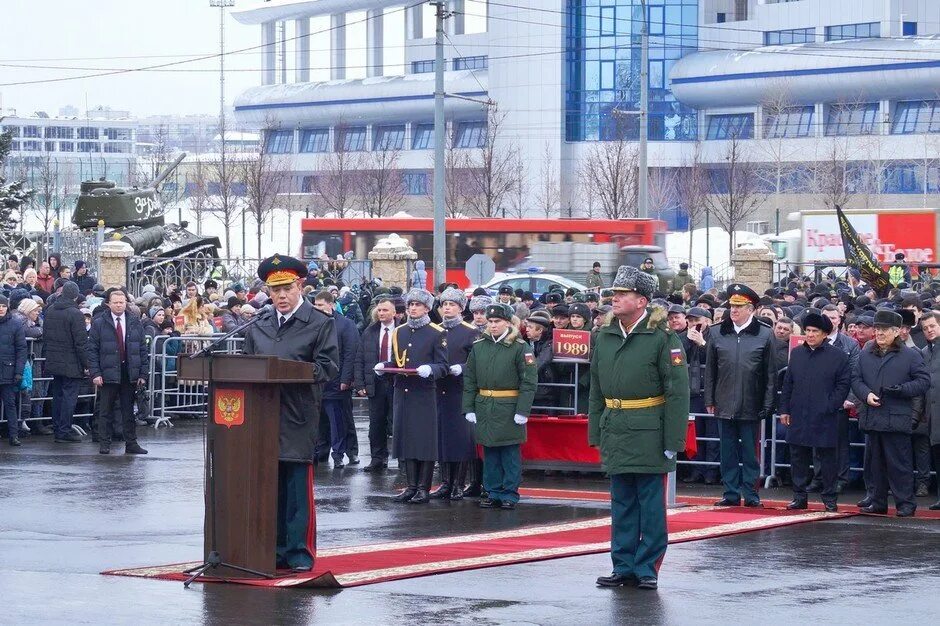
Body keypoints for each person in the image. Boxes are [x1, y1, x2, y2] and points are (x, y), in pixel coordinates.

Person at [590, 266, 689, 591]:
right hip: (616, 427)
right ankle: (623, 566)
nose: (615, 299)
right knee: (621, 504)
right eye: (614, 294)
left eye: (622, 294)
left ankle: (647, 567)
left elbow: (677, 391)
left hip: (649, 429)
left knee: (650, 506)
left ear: (642, 300)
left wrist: (673, 438)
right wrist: (595, 432)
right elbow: (595, 389)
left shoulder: (662, 336)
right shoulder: (604, 334)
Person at [242, 254, 339, 571]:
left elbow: (328, 367)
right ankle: (272, 548)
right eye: (274, 290)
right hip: (261, 418)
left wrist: (288, 372)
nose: (281, 296)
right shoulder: (259, 324)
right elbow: (246, 365)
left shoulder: (320, 324)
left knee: (295, 489)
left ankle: (298, 551)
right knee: (267, 487)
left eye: (286, 288)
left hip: (297, 416)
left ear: (301, 286)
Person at [704, 283, 776, 508]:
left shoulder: (765, 334)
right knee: (727, 451)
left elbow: (770, 374)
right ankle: (731, 493)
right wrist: (709, 399)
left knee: (749, 452)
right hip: (723, 402)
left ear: (751, 309)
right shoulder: (717, 332)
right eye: (731, 306)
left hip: (751, 403)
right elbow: (710, 371)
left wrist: (767, 403)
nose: (733, 310)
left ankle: (751, 495)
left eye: (739, 306)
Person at [852, 310, 929, 517]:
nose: (879, 333)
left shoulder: (911, 355)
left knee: (899, 464)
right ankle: (878, 501)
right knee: (874, 464)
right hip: (872, 416)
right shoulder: (866, 353)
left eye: (884, 329)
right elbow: (856, 379)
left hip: (896, 418)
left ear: (896, 331)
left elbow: (923, 382)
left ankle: (905, 503)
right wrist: (866, 394)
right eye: (877, 329)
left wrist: (902, 390)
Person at [375, 288, 448, 504]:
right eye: (410, 305)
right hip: (403, 392)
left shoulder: (437, 332)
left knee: (423, 442)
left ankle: (423, 488)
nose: (413, 308)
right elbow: (397, 362)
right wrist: (384, 367)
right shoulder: (400, 331)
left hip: (424, 393)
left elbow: (443, 365)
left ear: (427, 308)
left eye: (418, 305)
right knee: (405, 440)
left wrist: (431, 370)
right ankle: (411, 486)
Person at [463, 303, 537, 510]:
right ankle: (493, 491)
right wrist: (469, 407)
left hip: (509, 405)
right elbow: (470, 380)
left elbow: (529, 382)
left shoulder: (520, 347)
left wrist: (523, 411)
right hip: (485, 404)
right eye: (491, 322)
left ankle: (510, 493)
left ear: (507, 322)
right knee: (490, 452)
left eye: (498, 322)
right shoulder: (479, 347)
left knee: (509, 453)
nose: (493, 325)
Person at [779, 313, 851, 512]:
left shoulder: (837, 356)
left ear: (825, 334)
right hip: (799, 412)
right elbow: (788, 383)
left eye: (815, 332)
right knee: (798, 456)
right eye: (808, 331)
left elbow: (843, 384)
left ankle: (829, 497)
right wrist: (784, 409)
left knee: (827, 458)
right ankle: (799, 496)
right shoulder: (798, 354)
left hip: (825, 415)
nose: (810, 335)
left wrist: (831, 405)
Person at [431, 287, 481, 499]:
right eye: (444, 305)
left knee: (460, 438)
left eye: (452, 304)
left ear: (461, 308)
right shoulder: (435, 330)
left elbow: (478, 362)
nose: (447, 308)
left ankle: (459, 483)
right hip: (438, 388)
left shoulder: (471, 332)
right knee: (441, 437)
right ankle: (445, 482)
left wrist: (463, 367)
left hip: (460, 390)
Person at [87, 288, 149, 455]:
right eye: (116, 302)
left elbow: (142, 349)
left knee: (128, 410)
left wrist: (143, 373)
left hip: (129, 372)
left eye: (122, 302)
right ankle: (104, 443)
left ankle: (131, 443)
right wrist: (96, 373)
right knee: (105, 410)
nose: (119, 305)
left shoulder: (135, 321)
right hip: (107, 372)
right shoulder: (99, 322)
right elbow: (92, 350)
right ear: (109, 304)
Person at [313, 290, 359, 468]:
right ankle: (321, 452)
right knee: (320, 422)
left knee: (340, 421)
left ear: (331, 305)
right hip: (319, 382)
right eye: (315, 305)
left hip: (337, 382)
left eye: (321, 305)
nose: (317, 308)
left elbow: (350, 353)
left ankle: (344, 453)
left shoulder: (345, 325)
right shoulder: (313, 324)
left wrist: (346, 379)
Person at [354, 297, 398, 472]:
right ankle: (377, 458)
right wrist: (360, 383)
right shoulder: (370, 331)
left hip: (396, 381)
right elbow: (360, 358)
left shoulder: (402, 331)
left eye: (385, 310)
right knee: (376, 423)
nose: (381, 313)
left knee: (397, 421)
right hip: (376, 382)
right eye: (379, 310)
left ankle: (403, 460)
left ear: (394, 313)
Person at [43, 281, 88, 444]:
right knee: (69, 397)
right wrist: (87, 364)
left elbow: (46, 335)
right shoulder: (75, 314)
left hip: (54, 361)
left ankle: (58, 428)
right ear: (75, 296)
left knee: (58, 396)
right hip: (71, 363)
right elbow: (81, 343)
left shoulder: (49, 310)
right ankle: (64, 430)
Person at [681, 306, 719, 484]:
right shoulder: (682, 337)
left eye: (698, 320)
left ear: (708, 321)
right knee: (695, 434)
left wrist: (702, 344)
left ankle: (711, 472)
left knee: (712, 435)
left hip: (712, 392)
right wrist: (689, 342)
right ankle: (696, 470)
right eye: (691, 320)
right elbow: (677, 357)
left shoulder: (716, 336)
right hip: (692, 393)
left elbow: (718, 358)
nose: (694, 324)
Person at [918, 311, 940, 510]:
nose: (929, 330)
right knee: (937, 456)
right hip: (932, 415)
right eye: (925, 328)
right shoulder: (924, 352)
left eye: (932, 326)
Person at [0, 295, 27, 446]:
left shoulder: (15, 324)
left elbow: (21, 350)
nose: (1, 308)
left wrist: (19, 372)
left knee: (10, 405)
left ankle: (13, 435)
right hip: (7, 368)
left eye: (3, 306)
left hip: (8, 371)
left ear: (7, 307)